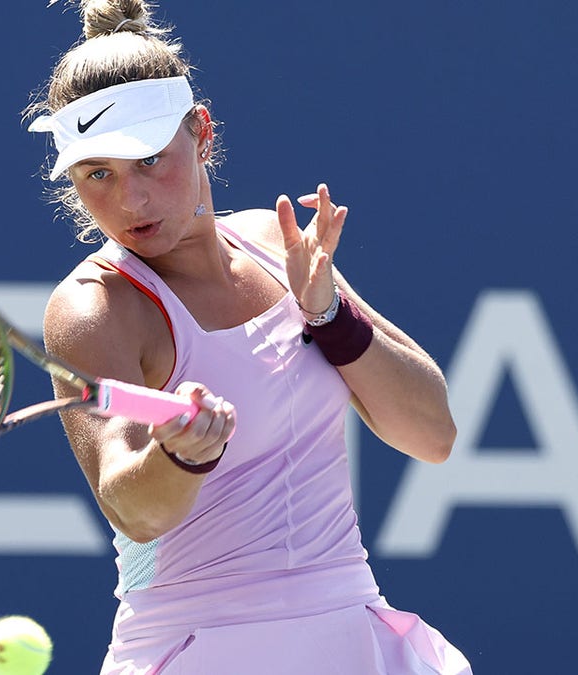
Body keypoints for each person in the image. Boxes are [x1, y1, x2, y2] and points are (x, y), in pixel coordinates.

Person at [26, 1, 472, 673]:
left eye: (150, 160)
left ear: (201, 132)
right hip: (198, 650)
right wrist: (181, 456)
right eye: (99, 174)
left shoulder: (275, 243)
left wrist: (328, 316)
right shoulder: (95, 309)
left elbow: (433, 432)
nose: (131, 200)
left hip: (352, 638)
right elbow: (131, 504)